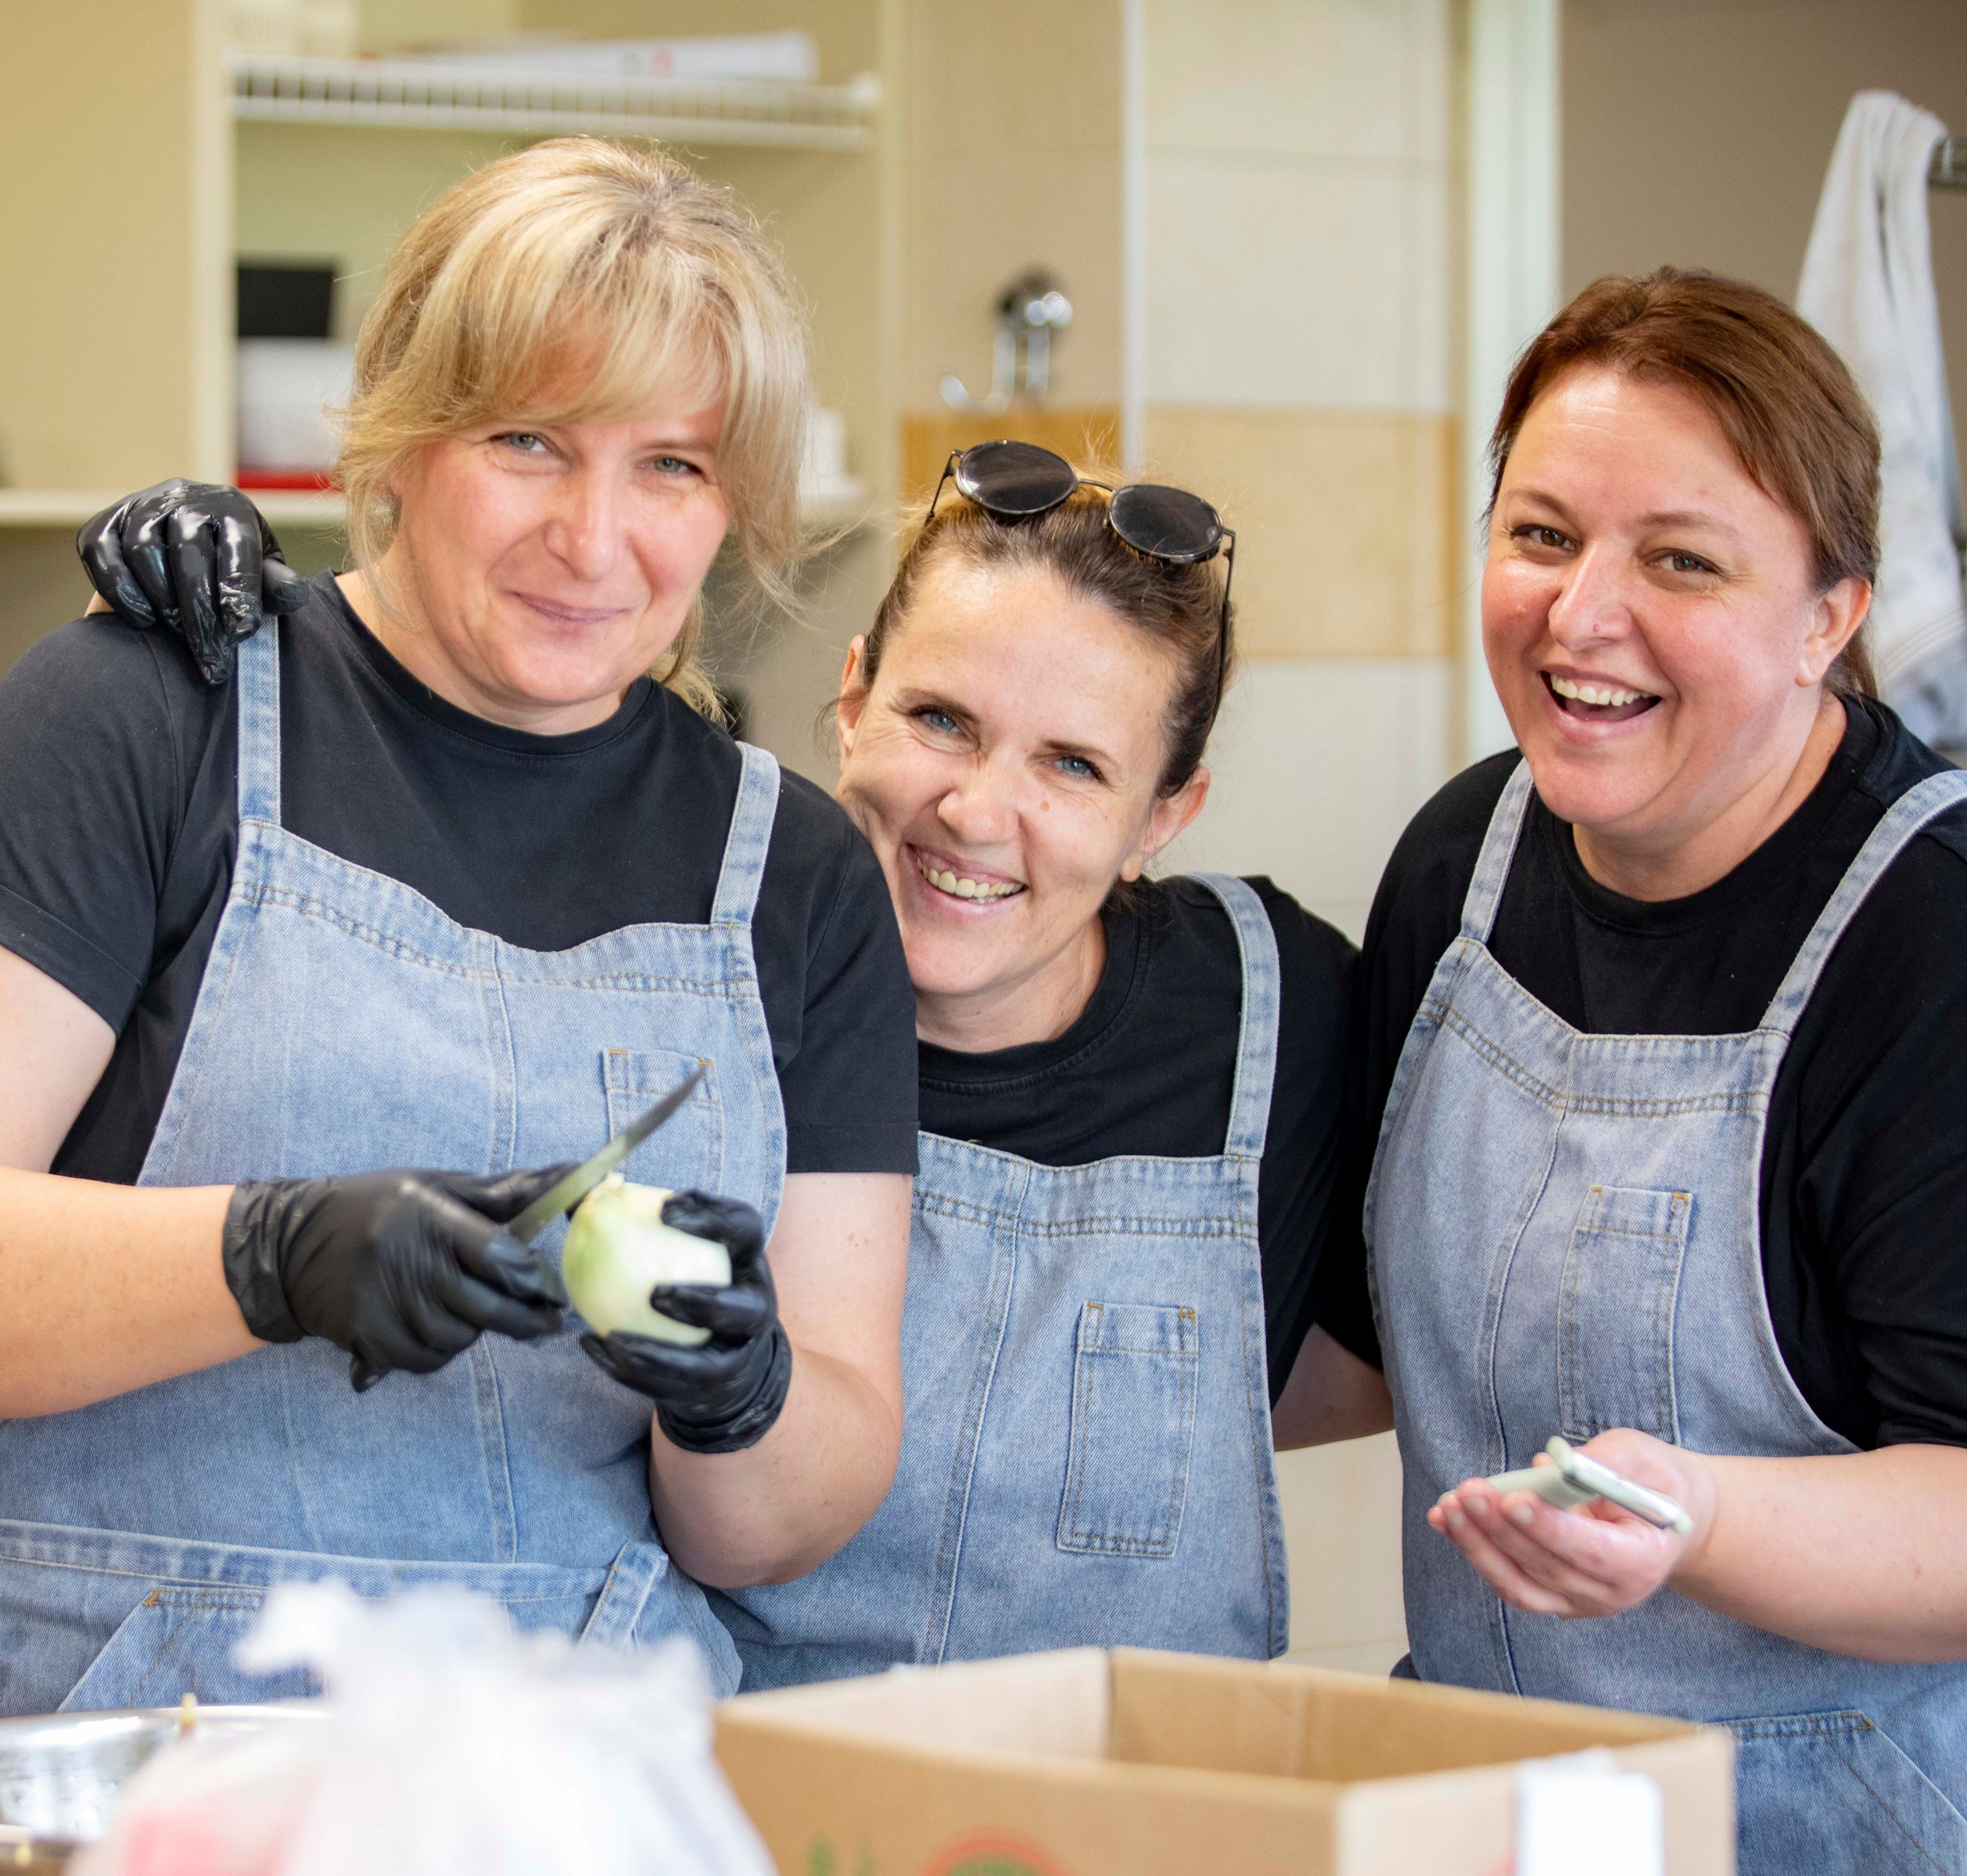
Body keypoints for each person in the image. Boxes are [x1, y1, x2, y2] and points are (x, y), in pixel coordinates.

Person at [81, 440, 1381, 1687]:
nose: (980, 815)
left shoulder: (1277, 1008)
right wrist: (272, 644)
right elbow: (470, 723)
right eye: (939, 718)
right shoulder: (680, 947)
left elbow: (1384, 1363)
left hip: (1153, 1817)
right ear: (853, 694)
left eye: (1075, 767)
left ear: (1168, 814)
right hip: (757, 1808)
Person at [0, 138, 916, 1716]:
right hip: (149, 1773)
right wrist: (264, 1257)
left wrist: (740, 1393)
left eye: (672, 465)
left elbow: (775, 1529)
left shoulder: (799, 875)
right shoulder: (154, 712)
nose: (595, 537)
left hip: (585, 1791)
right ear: (407, 434)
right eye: (528, 441)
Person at [1315, 271, 1967, 1876]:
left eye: (1680, 562)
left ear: (1826, 618)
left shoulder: (1941, 941)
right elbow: (1374, 1342)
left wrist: (1688, 1520)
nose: (1580, 613)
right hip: (1487, 1866)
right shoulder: (1460, 863)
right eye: (1538, 533)